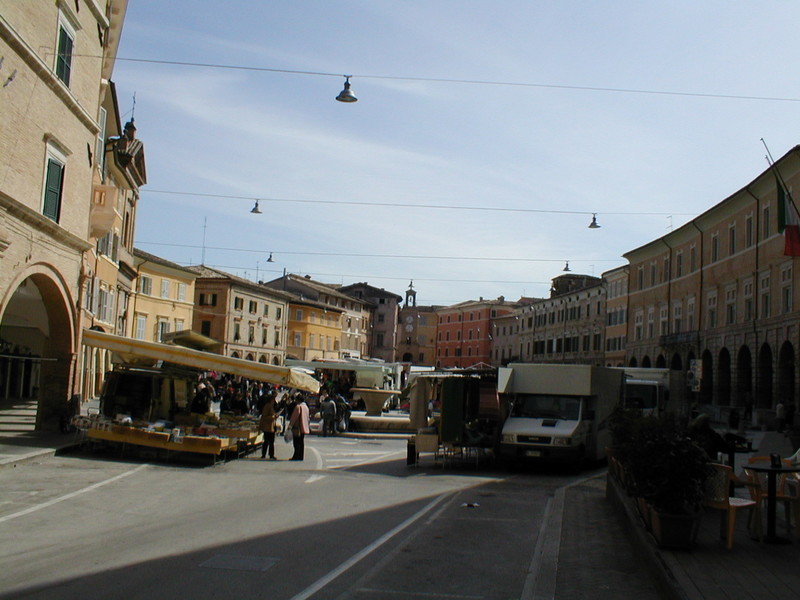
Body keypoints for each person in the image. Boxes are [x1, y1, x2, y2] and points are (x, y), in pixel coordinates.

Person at [289, 395, 310, 461]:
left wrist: (290, 426)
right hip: (304, 427)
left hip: (297, 427)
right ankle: (301, 456)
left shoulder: (298, 407)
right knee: (301, 442)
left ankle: (296, 456)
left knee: (296, 442)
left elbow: (294, 418)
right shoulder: (306, 407)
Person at [259, 395, 277, 460]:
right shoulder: (267, 406)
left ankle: (271, 454)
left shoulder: (271, 406)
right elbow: (265, 416)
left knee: (271, 441)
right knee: (267, 441)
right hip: (267, 426)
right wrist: (272, 417)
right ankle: (264, 454)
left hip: (271, 426)